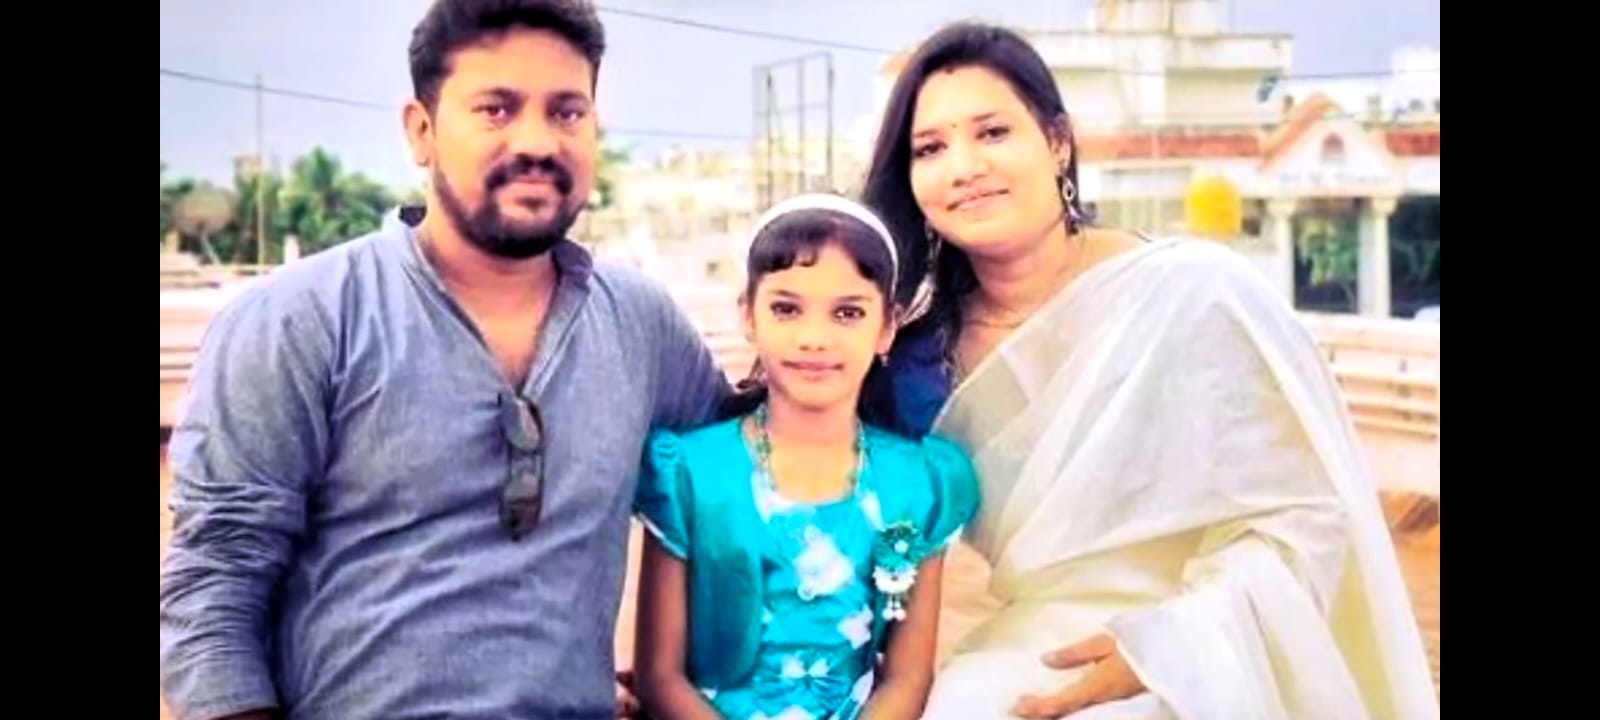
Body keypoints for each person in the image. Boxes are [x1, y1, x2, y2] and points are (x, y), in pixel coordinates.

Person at [158, 1, 728, 718]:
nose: (537, 142)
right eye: (495, 109)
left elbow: (753, 471)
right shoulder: (299, 320)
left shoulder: (641, 324)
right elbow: (214, 585)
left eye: (566, 112)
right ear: (421, 131)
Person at [861, 22, 1439, 720]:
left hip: (1211, 641)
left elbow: (1310, 519)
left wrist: (1169, 648)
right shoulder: (917, 361)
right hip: (1038, 647)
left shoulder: (1193, 294)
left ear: (1057, 142)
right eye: (930, 148)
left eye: (992, 132)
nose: (963, 166)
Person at [631, 194, 980, 720]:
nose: (814, 338)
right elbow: (661, 677)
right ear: (749, 316)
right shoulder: (691, 473)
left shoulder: (917, 482)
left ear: (887, 326)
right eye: (786, 309)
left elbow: (908, 677)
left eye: (847, 313)